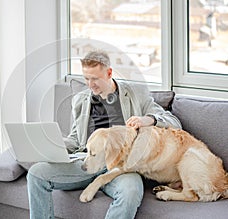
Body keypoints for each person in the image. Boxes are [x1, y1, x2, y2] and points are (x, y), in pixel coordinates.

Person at [27, 50, 182, 219]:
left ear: (109, 73)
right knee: (36, 173)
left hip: (121, 167)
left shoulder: (135, 94)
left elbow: (174, 122)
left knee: (130, 192)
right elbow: (75, 139)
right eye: (86, 79)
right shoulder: (80, 100)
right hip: (86, 161)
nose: (90, 84)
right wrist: (54, 145)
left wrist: (148, 119)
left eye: (95, 79)